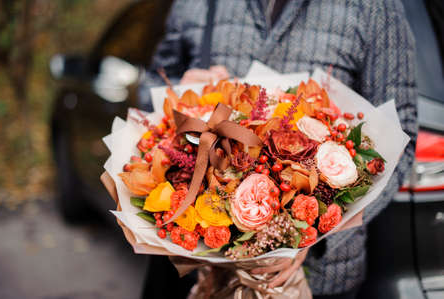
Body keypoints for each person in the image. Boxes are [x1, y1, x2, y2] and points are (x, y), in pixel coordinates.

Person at [139, 0, 418, 298]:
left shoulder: (374, 7)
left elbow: (399, 133)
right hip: (195, 267)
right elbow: (150, 88)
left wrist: (313, 234)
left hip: (318, 276)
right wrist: (178, 91)